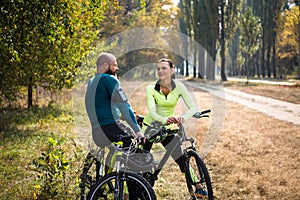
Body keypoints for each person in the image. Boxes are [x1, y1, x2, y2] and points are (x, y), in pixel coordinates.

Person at [141, 58, 208, 198]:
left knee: (180, 157)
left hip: (168, 128)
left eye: (164, 68)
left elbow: (193, 107)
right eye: (158, 68)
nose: (160, 71)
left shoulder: (179, 86)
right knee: (139, 160)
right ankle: (128, 193)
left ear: (172, 70)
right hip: (150, 127)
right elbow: (152, 112)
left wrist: (183, 117)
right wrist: (165, 119)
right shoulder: (150, 88)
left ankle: (198, 186)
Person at [85, 52, 144, 148]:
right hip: (111, 130)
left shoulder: (91, 81)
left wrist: (122, 115)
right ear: (105, 66)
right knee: (137, 157)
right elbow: (124, 105)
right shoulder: (109, 79)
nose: (117, 68)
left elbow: (102, 106)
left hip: (97, 133)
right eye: (114, 65)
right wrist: (137, 131)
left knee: (116, 154)